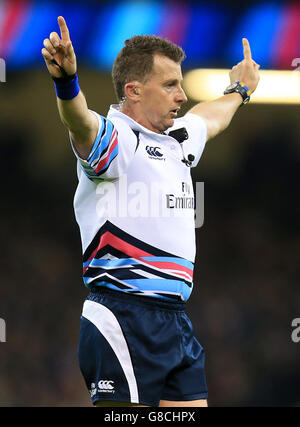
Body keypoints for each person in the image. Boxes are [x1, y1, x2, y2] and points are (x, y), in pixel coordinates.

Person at [41, 16, 260, 407]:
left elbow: (210, 119)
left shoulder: (176, 140)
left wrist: (239, 89)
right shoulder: (116, 138)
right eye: (171, 84)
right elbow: (79, 122)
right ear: (134, 90)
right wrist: (66, 82)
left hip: (175, 318)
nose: (182, 95)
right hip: (122, 315)